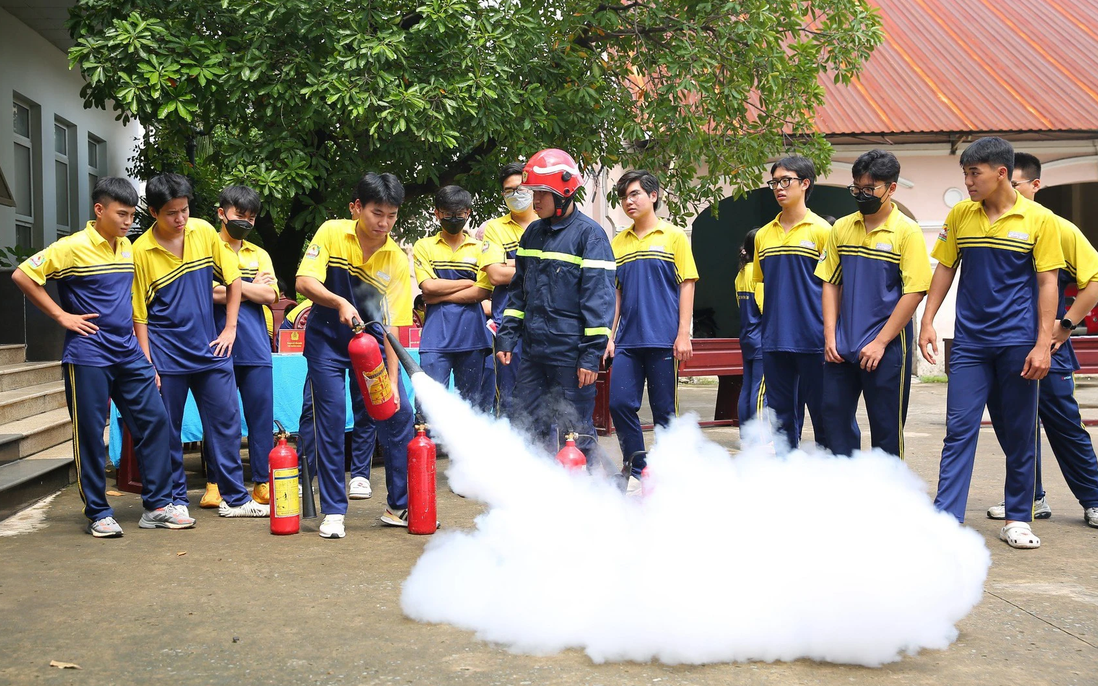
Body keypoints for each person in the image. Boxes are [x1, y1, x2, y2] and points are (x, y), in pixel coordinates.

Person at [11, 178, 194, 536]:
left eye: (131, 215)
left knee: (156, 422)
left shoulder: (127, 247)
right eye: (121, 214)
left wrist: (145, 355)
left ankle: (157, 506)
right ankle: (98, 512)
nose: (127, 222)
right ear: (100, 210)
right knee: (91, 435)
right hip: (89, 354)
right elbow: (22, 275)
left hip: (128, 352)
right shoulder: (71, 247)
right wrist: (62, 316)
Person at [919, 137, 1062, 549]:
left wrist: (1042, 344)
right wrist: (928, 320)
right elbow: (945, 268)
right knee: (959, 428)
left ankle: (1018, 518)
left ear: (1001, 173)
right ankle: (947, 517)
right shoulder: (961, 215)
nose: (967, 182)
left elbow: (1047, 283)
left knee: (1019, 432)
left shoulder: (1039, 219)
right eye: (965, 173)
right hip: (970, 343)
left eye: (973, 173)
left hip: (1018, 343)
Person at [130, 173, 268, 519]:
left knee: (226, 425)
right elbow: (140, 316)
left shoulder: (204, 231)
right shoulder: (140, 251)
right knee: (167, 431)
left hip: (212, 351)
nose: (180, 219)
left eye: (185, 210)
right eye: (172, 213)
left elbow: (234, 280)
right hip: (166, 357)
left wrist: (231, 329)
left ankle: (235, 499)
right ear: (153, 212)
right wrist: (148, 362)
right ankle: (176, 498)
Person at [295, 172, 414, 538]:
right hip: (327, 343)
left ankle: (399, 506)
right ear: (356, 208)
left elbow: (393, 327)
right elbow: (303, 282)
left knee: (398, 416)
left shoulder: (395, 258)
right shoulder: (332, 232)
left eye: (392, 215)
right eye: (377, 213)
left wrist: (393, 382)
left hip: (372, 349)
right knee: (329, 422)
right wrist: (339, 301)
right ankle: (333, 511)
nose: (384, 223)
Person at [983, 152, 1098, 528]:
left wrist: (1065, 326)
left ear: (1035, 185)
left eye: (1013, 183)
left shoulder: (1058, 227)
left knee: (1064, 423)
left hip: (1046, 347)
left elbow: (1093, 280)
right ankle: (1030, 498)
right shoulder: (988, 223)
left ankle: (1093, 499)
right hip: (1001, 345)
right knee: (1012, 423)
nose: (1006, 190)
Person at [496, 148, 616, 466]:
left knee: (576, 435)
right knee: (525, 427)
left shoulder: (590, 237)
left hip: (571, 357)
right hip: (534, 355)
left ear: (562, 193)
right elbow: (519, 294)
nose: (534, 202)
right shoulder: (532, 234)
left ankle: (605, 500)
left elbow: (599, 304)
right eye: (532, 193)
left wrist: (591, 357)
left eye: (540, 194)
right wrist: (507, 337)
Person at [816, 150, 931, 459]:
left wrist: (880, 343)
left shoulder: (907, 231)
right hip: (843, 345)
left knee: (886, 429)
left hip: (888, 347)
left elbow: (915, 292)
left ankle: (888, 500)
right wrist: (830, 336)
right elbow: (830, 282)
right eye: (857, 188)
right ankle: (847, 489)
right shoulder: (841, 228)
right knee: (834, 420)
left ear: (891, 188)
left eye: (870, 189)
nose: (862, 195)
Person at [605, 170, 698, 477]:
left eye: (634, 194)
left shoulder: (673, 236)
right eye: (623, 197)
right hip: (628, 342)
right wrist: (609, 335)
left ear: (653, 196)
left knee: (664, 413)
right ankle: (636, 468)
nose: (628, 201)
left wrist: (684, 334)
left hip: (663, 341)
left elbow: (687, 283)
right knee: (619, 404)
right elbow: (615, 294)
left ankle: (670, 473)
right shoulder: (618, 242)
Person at [197, 186, 279, 508]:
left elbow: (271, 296)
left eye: (251, 217)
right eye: (239, 215)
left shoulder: (260, 254)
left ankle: (261, 483)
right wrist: (249, 286)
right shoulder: (205, 251)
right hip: (217, 345)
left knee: (261, 418)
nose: (245, 222)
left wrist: (231, 286)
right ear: (221, 213)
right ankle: (215, 484)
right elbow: (207, 294)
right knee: (219, 419)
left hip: (256, 347)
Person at [752, 156, 833, 451]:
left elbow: (834, 287)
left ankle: (828, 478)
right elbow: (762, 283)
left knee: (824, 416)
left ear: (805, 183)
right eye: (774, 182)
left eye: (786, 180)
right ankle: (787, 481)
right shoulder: (763, 235)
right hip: (774, 341)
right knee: (783, 420)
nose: (779, 187)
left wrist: (831, 334)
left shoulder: (823, 231)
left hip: (815, 340)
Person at [412, 185, 492, 404]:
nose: (454, 219)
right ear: (437, 213)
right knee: (429, 404)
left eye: (460, 214)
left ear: (468, 213)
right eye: (448, 214)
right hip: (435, 337)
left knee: (470, 405)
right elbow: (428, 287)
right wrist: (467, 282)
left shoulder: (481, 247)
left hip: (473, 337)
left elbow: (483, 291)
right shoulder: (424, 246)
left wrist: (440, 296)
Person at [479, 162, 540, 415]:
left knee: (545, 398)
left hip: (547, 322)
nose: (516, 195)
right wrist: (538, 267)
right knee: (510, 397)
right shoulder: (494, 228)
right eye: (508, 191)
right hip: (509, 326)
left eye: (521, 188)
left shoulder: (548, 222)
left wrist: (511, 264)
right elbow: (494, 274)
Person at [735, 228, 765, 433]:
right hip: (762, 339)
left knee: (747, 387)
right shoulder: (758, 275)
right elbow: (766, 309)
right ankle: (760, 435)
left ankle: (746, 434)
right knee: (760, 389)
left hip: (746, 336)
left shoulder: (741, 273)